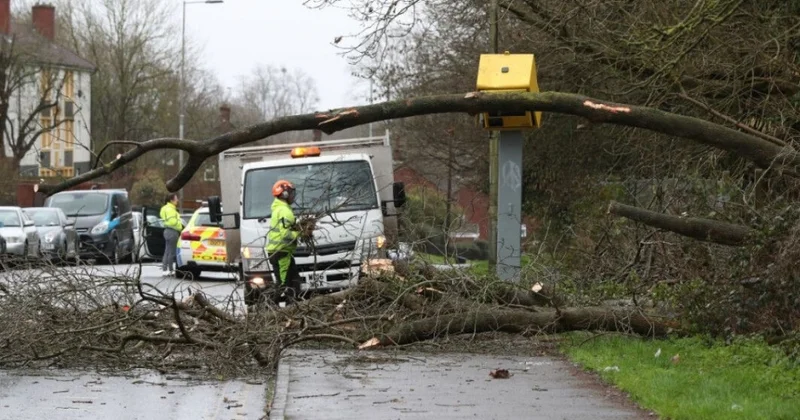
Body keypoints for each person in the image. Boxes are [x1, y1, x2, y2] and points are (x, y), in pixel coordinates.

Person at [266, 180, 311, 304]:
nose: (293, 196)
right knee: (282, 284)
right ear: (284, 194)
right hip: (281, 252)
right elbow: (285, 234)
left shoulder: (281, 208)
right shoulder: (284, 211)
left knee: (294, 281)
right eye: (290, 193)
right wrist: (301, 233)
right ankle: (267, 309)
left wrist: (297, 227)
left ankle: (292, 307)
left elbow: (286, 228)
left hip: (283, 252)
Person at [159, 193, 184, 276]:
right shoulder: (171, 209)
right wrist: (179, 223)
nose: (177, 200)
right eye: (176, 198)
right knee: (171, 252)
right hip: (173, 231)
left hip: (166, 230)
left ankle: (165, 269)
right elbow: (172, 221)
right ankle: (170, 270)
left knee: (167, 251)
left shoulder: (164, 208)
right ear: (171, 200)